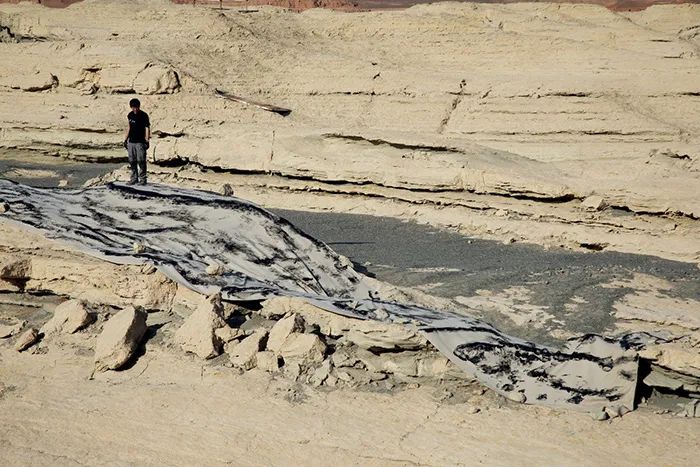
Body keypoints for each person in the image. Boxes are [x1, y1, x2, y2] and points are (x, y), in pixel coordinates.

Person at [123, 98, 150, 185]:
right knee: (132, 161)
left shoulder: (144, 115)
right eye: (133, 107)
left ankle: (143, 179)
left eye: (136, 107)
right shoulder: (130, 115)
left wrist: (147, 140)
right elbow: (129, 127)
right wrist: (125, 139)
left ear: (139, 106)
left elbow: (147, 128)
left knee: (141, 160)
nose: (135, 109)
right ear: (131, 107)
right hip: (131, 142)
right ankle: (134, 178)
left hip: (140, 142)